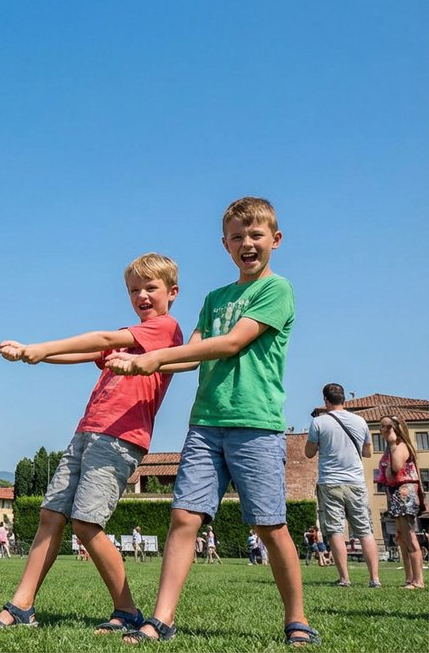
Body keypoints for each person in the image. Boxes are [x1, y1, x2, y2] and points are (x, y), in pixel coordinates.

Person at [109, 197, 317, 646]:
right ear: (224, 244)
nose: (247, 243)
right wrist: (142, 360)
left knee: (269, 523)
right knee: (183, 517)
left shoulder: (276, 290)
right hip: (205, 423)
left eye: (256, 235)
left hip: (255, 423)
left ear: (275, 240)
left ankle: (296, 618)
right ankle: (162, 618)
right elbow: (192, 356)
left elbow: (231, 344)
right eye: (237, 237)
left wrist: (156, 357)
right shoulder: (213, 299)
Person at [0, 253, 183, 633]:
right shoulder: (133, 336)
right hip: (88, 430)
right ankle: (22, 605)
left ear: (172, 292)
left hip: (120, 437)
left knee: (86, 522)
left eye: (150, 288)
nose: (142, 296)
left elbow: (105, 338)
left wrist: (42, 347)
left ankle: (127, 609)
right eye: (134, 290)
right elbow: (90, 352)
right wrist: (35, 355)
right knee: (51, 514)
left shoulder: (164, 329)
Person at [304, 382, 381, 587]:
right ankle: (374, 579)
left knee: (336, 531)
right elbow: (368, 453)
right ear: (344, 398)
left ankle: (345, 578)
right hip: (355, 481)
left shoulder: (319, 423)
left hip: (330, 482)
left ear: (325, 400)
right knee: (365, 530)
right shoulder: (360, 421)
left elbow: (309, 453)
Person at [377, 415, 423, 589]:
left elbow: (396, 467)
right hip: (396, 493)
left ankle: (418, 580)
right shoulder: (391, 449)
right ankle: (409, 578)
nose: (381, 430)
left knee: (409, 536)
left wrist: (392, 443)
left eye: (384, 427)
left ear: (394, 429)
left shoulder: (400, 447)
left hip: (405, 493)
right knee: (402, 537)